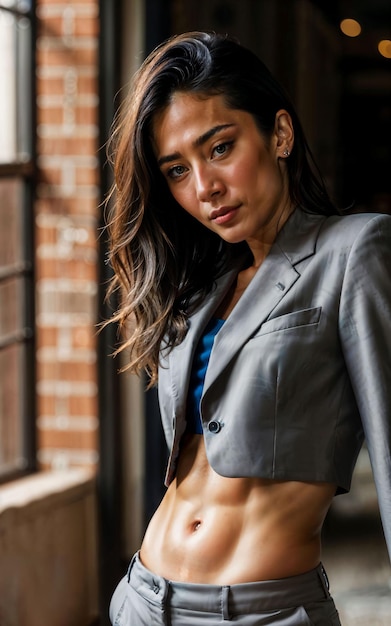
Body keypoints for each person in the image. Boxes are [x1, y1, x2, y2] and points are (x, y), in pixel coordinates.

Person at [106, 31, 391, 626]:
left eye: (220, 148)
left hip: (261, 613)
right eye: (177, 170)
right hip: (143, 600)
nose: (204, 187)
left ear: (279, 134)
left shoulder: (354, 250)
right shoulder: (201, 285)